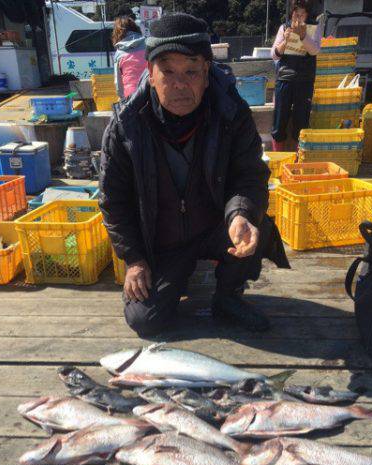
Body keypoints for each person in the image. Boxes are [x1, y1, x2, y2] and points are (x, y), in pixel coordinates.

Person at [99, 13, 289, 337]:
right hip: (162, 240)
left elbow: (250, 175)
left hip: (216, 224)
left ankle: (227, 296)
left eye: (191, 71)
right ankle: (175, 276)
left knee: (258, 227)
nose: (179, 84)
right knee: (145, 321)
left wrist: (241, 215)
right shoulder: (125, 125)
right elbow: (113, 200)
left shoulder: (232, 113)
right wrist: (133, 258)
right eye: (168, 71)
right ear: (150, 72)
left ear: (206, 72)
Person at [271, 0, 322, 150]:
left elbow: (315, 50)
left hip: (305, 80)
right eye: (296, 14)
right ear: (291, 14)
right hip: (284, 78)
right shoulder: (284, 27)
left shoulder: (314, 28)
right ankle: (278, 157)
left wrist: (303, 36)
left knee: (301, 121)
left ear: (307, 15)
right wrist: (286, 40)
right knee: (279, 120)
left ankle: (298, 159)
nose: (298, 18)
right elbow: (274, 55)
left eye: (302, 14)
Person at [112, 15, 146, 99]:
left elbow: (118, 84)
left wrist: (122, 98)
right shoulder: (148, 45)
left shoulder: (119, 53)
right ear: (135, 28)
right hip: (149, 92)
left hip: (130, 96)